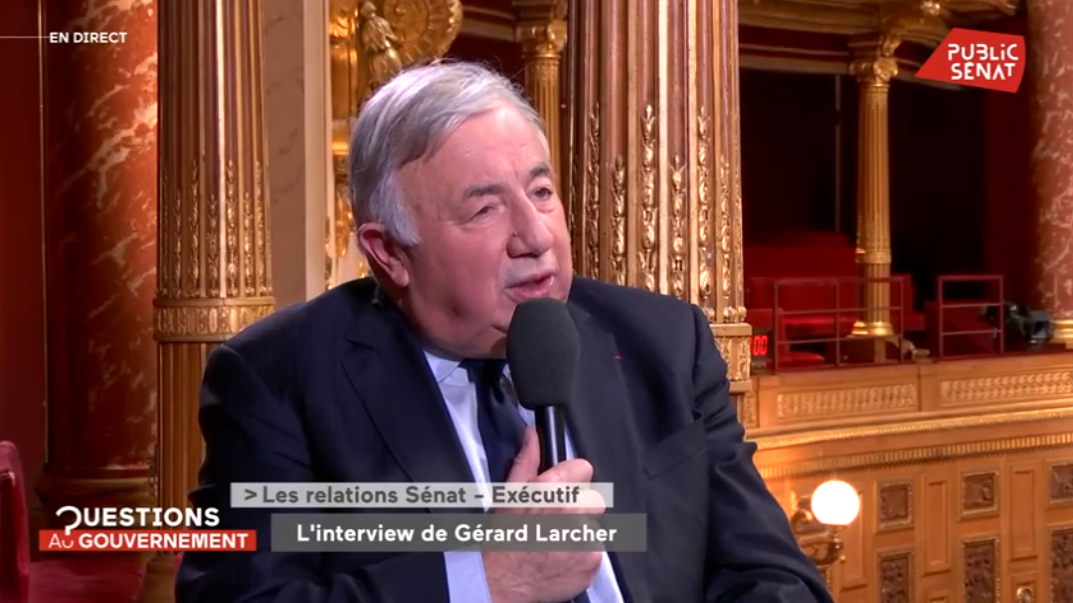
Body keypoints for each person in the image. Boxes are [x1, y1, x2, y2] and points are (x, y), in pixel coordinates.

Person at [176, 61, 834, 603]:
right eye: (485, 209)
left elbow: (773, 577)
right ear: (389, 252)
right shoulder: (279, 377)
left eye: (541, 192)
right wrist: (485, 582)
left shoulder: (662, 341)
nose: (535, 236)